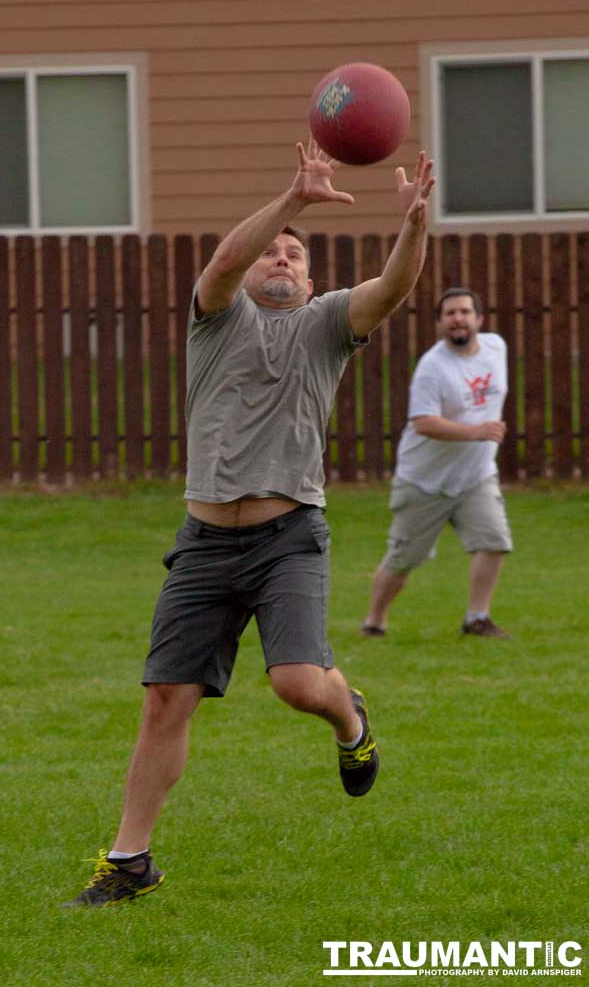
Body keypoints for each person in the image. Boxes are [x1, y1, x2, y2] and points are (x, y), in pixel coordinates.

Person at [66, 139, 436, 907]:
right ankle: (129, 861)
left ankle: (349, 719)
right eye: (272, 249)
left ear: (309, 279)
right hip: (203, 541)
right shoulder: (218, 316)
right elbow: (223, 261)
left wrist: (412, 228)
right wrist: (293, 200)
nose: (279, 257)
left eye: (294, 255)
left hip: (288, 535)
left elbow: (393, 289)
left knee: (299, 685)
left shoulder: (329, 323)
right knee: (165, 697)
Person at [360, 286, 512, 640]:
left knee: (494, 542)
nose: (458, 319)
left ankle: (477, 618)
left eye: (464, 312)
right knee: (403, 560)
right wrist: (476, 432)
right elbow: (423, 422)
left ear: (479, 319)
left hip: (476, 476)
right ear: (440, 324)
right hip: (424, 481)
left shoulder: (496, 347)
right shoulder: (433, 367)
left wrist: (480, 436)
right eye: (450, 314)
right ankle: (374, 622)